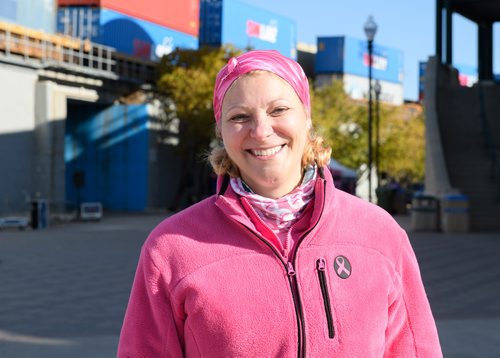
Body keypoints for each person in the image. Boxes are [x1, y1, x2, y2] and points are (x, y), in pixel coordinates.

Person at [118, 50, 442, 357]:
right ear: (221, 132)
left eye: (279, 110)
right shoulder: (171, 248)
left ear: (306, 116)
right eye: (240, 117)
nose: (261, 131)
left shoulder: (381, 234)